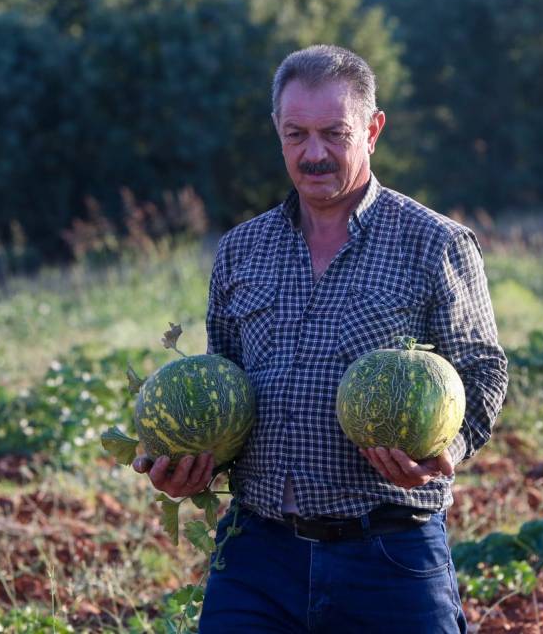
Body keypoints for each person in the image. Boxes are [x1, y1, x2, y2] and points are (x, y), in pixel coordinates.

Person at [133, 44, 508, 632]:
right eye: (295, 134)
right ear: (277, 133)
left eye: (334, 133)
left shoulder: (435, 244)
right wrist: (188, 461)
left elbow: (482, 370)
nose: (313, 154)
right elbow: (223, 388)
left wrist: (445, 453)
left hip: (387, 549)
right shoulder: (240, 251)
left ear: (373, 129)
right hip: (256, 553)